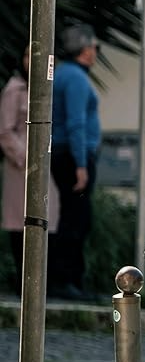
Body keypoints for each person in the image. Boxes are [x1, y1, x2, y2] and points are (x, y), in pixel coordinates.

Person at [0, 45, 59, 295]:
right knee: (19, 221)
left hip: (44, 164)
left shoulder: (47, 89)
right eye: (27, 56)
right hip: (20, 166)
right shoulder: (14, 89)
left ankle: (42, 281)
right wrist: (27, 158)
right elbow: (5, 131)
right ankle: (22, 283)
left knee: (48, 216)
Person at [50, 23, 101, 300]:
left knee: (72, 217)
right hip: (73, 157)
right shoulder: (76, 78)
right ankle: (67, 282)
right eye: (94, 47)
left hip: (64, 154)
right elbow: (76, 123)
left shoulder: (62, 73)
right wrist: (81, 165)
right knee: (76, 220)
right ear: (85, 49)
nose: (95, 52)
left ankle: (67, 281)